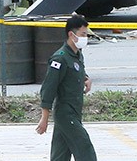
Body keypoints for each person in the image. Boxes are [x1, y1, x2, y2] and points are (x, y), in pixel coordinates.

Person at [36, 14, 96, 161]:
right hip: (65, 113)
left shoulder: (77, 55)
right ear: (71, 34)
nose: (85, 37)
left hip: (75, 111)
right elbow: (48, 88)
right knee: (84, 147)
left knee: (60, 154)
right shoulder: (60, 58)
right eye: (82, 34)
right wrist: (44, 118)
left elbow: (76, 71)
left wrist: (85, 78)